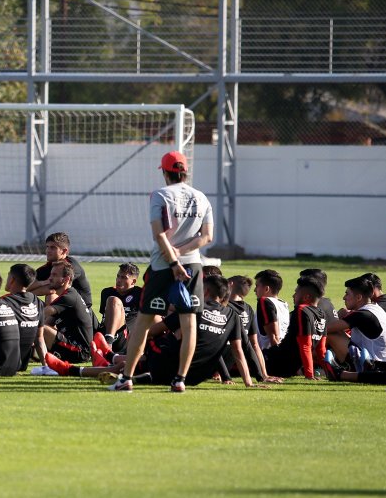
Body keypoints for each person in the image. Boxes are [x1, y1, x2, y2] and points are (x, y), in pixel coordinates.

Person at [110, 150, 213, 393]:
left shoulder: (160, 194)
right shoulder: (201, 197)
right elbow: (207, 237)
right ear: (185, 171)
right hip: (192, 266)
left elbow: (159, 234)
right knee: (189, 324)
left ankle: (126, 379)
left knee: (143, 323)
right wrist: (182, 253)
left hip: (162, 266)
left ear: (165, 173)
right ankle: (180, 380)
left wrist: (174, 261)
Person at [48, 274, 254, 389]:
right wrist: (248, 383)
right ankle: (111, 358)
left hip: (173, 366)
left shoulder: (192, 310)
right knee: (138, 365)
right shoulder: (233, 315)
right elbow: (238, 351)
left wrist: (141, 344)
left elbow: (154, 331)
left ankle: (75, 368)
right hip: (196, 376)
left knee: (136, 356)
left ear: (205, 292)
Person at [261, 276, 327, 379]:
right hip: (290, 368)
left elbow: (305, 345)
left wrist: (309, 375)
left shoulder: (302, 310)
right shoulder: (322, 314)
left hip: (276, 362)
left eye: (296, 292)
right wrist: (328, 372)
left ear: (306, 297)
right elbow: (321, 350)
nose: (293, 295)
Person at [325, 275, 386, 367]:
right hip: (383, 362)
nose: (344, 297)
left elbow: (325, 329)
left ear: (359, 297)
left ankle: (312, 364)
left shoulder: (363, 315)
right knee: (338, 332)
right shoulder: (374, 309)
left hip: (374, 366)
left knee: (332, 334)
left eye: (347, 294)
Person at [41, 260, 93, 364]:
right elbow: (47, 321)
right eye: (51, 274)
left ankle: (42, 364)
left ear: (66, 279)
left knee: (39, 327)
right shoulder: (65, 297)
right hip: (70, 345)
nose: (50, 278)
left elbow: (42, 314)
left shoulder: (69, 297)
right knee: (39, 328)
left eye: (54, 275)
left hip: (79, 351)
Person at [29, 232, 94, 309]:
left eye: (53, 248)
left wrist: (27, 294)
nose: (48, 250)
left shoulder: (71, 266)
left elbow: (52, 289)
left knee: (51, 296)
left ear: (64, 251)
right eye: (47, 247)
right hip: (63, 307)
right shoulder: (49, 266)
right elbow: (27, 285)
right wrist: (41, 283)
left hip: (81, 309)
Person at [97, 262, 142, 354]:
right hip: (103, 331)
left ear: (133, 281)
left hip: (124, 336)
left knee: (113, 300)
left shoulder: (140, 294)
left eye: (124, 278)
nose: (118, 280)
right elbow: (104, 317)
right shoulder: (107, 292)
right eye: (118, 276)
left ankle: (108, 344)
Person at [2, 263, 41, 371]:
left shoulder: (5, 302)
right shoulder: (36, 301)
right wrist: (46, 365)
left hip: (6, 363)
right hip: (23, 364)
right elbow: (39, 338)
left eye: (8, 275)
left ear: (12, 279)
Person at [254, 269, 289, 350]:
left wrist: (276, 354)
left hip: (268, 354)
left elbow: (274, 337)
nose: (255, 290)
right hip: (282, 350)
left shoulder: (264, 302)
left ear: (266, 289)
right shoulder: (283, 305)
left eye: (257, 286)